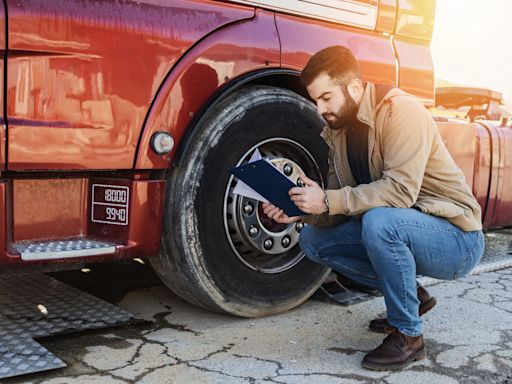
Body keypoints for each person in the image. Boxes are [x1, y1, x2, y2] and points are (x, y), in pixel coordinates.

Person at [262, 45, 484, 371]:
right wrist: (304, 209)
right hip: (404, 225)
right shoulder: (337, 131)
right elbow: (339, 205)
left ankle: (409, 336)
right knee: (313, 240)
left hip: (457, 238)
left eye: (326, 97)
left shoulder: (401, 111)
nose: (319, 108)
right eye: (314, 100)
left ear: (353, 87)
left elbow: (401, 191)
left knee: (380, 222)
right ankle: (410, 298)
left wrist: (328, 199)